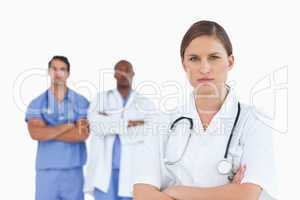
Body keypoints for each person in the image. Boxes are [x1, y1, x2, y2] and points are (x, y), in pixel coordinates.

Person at [133, 21, 278, 200]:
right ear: (184, 64)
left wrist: (174, 192)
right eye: (194, 59)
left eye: (214, 57)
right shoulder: (161, 122)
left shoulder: (254, 121)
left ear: (230, 61)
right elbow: (142, 193)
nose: (204, 68)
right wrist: (227, 193)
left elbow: (247, 194)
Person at [84, 60, 156, 200]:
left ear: (133, 74)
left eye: (126, 70)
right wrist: (130, 123)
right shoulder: (101, 98)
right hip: (104, 170)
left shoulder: (145, 103)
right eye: (119, 71)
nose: (123, 74)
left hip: (133, 170)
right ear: (114, 75)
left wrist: (109, 121)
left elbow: (150, 130)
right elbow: (94, 124)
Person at [25, 55, 90, 200]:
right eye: (54, 69)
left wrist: (48, 130)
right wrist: (67, 126)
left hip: (73, 171)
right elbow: (35, 133)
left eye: (62, 69)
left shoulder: (81, 102)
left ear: (68, 73)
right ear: (49, 71)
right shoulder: (37, 103)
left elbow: (82, 134)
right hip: (46, 173)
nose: (58, 73)